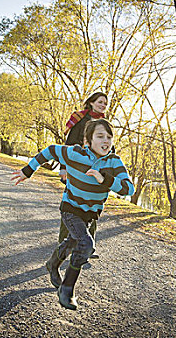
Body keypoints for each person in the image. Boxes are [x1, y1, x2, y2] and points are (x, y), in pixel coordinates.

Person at [11, 118, 134, 310]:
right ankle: (67, 289)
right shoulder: (75, 153)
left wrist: (104, 179)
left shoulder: (114, 162)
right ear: (88, 141)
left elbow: (129, 189)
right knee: (86, 244)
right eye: (100, 136)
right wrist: (29, 170)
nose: (106, 141)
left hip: (90, 213)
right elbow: (50, 151)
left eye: (109, 137)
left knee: (73, 241)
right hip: (70, 207)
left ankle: (53, 264)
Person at [58, 92, 108, 258]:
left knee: (93, 206)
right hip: (77, 168)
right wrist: (63, 168)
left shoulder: (103, 123)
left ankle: (88, 247)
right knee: (72, 206)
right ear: (92, 103)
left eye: (105, 103)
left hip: (95, 170)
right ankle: (64, 244)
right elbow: (69, 145)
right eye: (100, 102)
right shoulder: (80, 120)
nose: (103, 105)